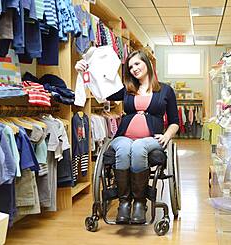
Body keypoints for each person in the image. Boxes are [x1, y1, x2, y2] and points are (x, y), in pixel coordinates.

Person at [75, 50, 179, 224]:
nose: (134, 69)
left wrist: (167, 135)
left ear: (147, 63)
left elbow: (175, 121)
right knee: (123, 148)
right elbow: (100, 90)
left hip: (151, 139)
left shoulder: (166, 90)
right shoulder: (126, 89)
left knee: (138, 147)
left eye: (137, 64)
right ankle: (124, 203)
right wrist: (82, 72)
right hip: (124, 137)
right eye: (130, 67)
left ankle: (139, 202)